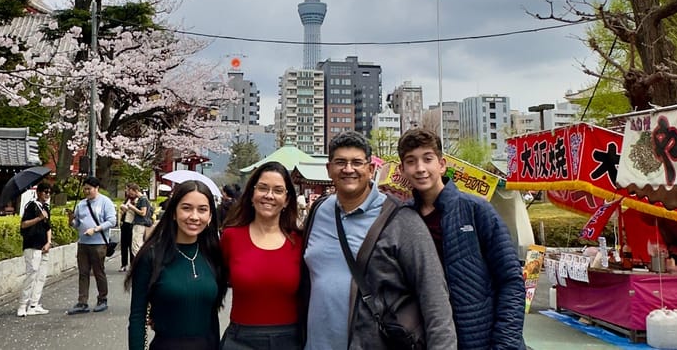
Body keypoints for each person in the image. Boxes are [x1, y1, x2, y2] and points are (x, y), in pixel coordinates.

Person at [302, 131, 456, 350]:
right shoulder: (319, 211)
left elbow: (434, 297)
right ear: (328, 169)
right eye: (340, 162)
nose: (348, 169)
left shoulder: (401, 219)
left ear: (371, 169)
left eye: (357, 162)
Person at [397, 128, 526, 349]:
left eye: (427, 159)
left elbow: (511, 281)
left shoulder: (476, 210)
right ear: (402, 169)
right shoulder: (402, 218)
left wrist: (505, 343)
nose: (420, 168)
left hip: (480, 340)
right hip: (426, 338)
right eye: (411, 161)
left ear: (442, 164)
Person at [126, 180, 225, 350]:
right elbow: (137, 316)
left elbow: (211, 315)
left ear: (210, 216)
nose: (194, 216)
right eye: (186, 208)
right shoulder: (152, 256)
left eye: (202, 210)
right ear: (173, 212)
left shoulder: (213, 254)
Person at [220, 161, 303, 348]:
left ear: (287, 200)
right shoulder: (231, 236)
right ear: (251, 194)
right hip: (241, 339)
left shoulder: (300, 241)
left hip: (289, 339)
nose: (269, 196)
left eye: (278, 190)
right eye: (263, 188)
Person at [67, 175, 117, 314]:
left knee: (98, 271)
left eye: (89, 189)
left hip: (99, 243)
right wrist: (71, 220)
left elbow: (112, 221)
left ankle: (102, 299)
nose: (86, 192)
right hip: (83, 243)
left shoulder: (105, 202)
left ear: (97, 188)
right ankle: (82, 302)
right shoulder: (81, 204)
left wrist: (96, 229)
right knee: (83, 272)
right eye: (85, 189)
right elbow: (77, 224)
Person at [17, 182, 52, 317]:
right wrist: (39, 218)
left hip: (43, 245)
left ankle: (34, 304)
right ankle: (22, 304)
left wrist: (49, 242)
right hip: (32, 245)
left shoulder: (46, 208)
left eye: (49, 192)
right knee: (32, 274)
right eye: (45, 192)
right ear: (39, 193)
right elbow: (24, 224)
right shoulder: (32, 206)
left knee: (41, 276)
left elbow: (48, 227)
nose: (47, 195)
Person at [123, 183, 153, 265]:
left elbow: (143, 213)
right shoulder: (142, 199)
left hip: (140, 224)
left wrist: (132, 208)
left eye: (131, 191)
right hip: (139, 223)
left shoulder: (142, 199)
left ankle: (141, 263)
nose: (130, 193)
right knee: (136, 245)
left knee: (136, 246)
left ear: (135, 191)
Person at [118, 190, 136, 273]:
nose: (128, 192)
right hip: (125, 223)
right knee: (124, 245)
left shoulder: (138, 200)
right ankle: (123, 264)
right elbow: (123, 210)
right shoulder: (127, 199)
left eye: (130, 191)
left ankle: (133, 265)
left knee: (131, 245)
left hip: (132, 224)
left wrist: (130, 207)